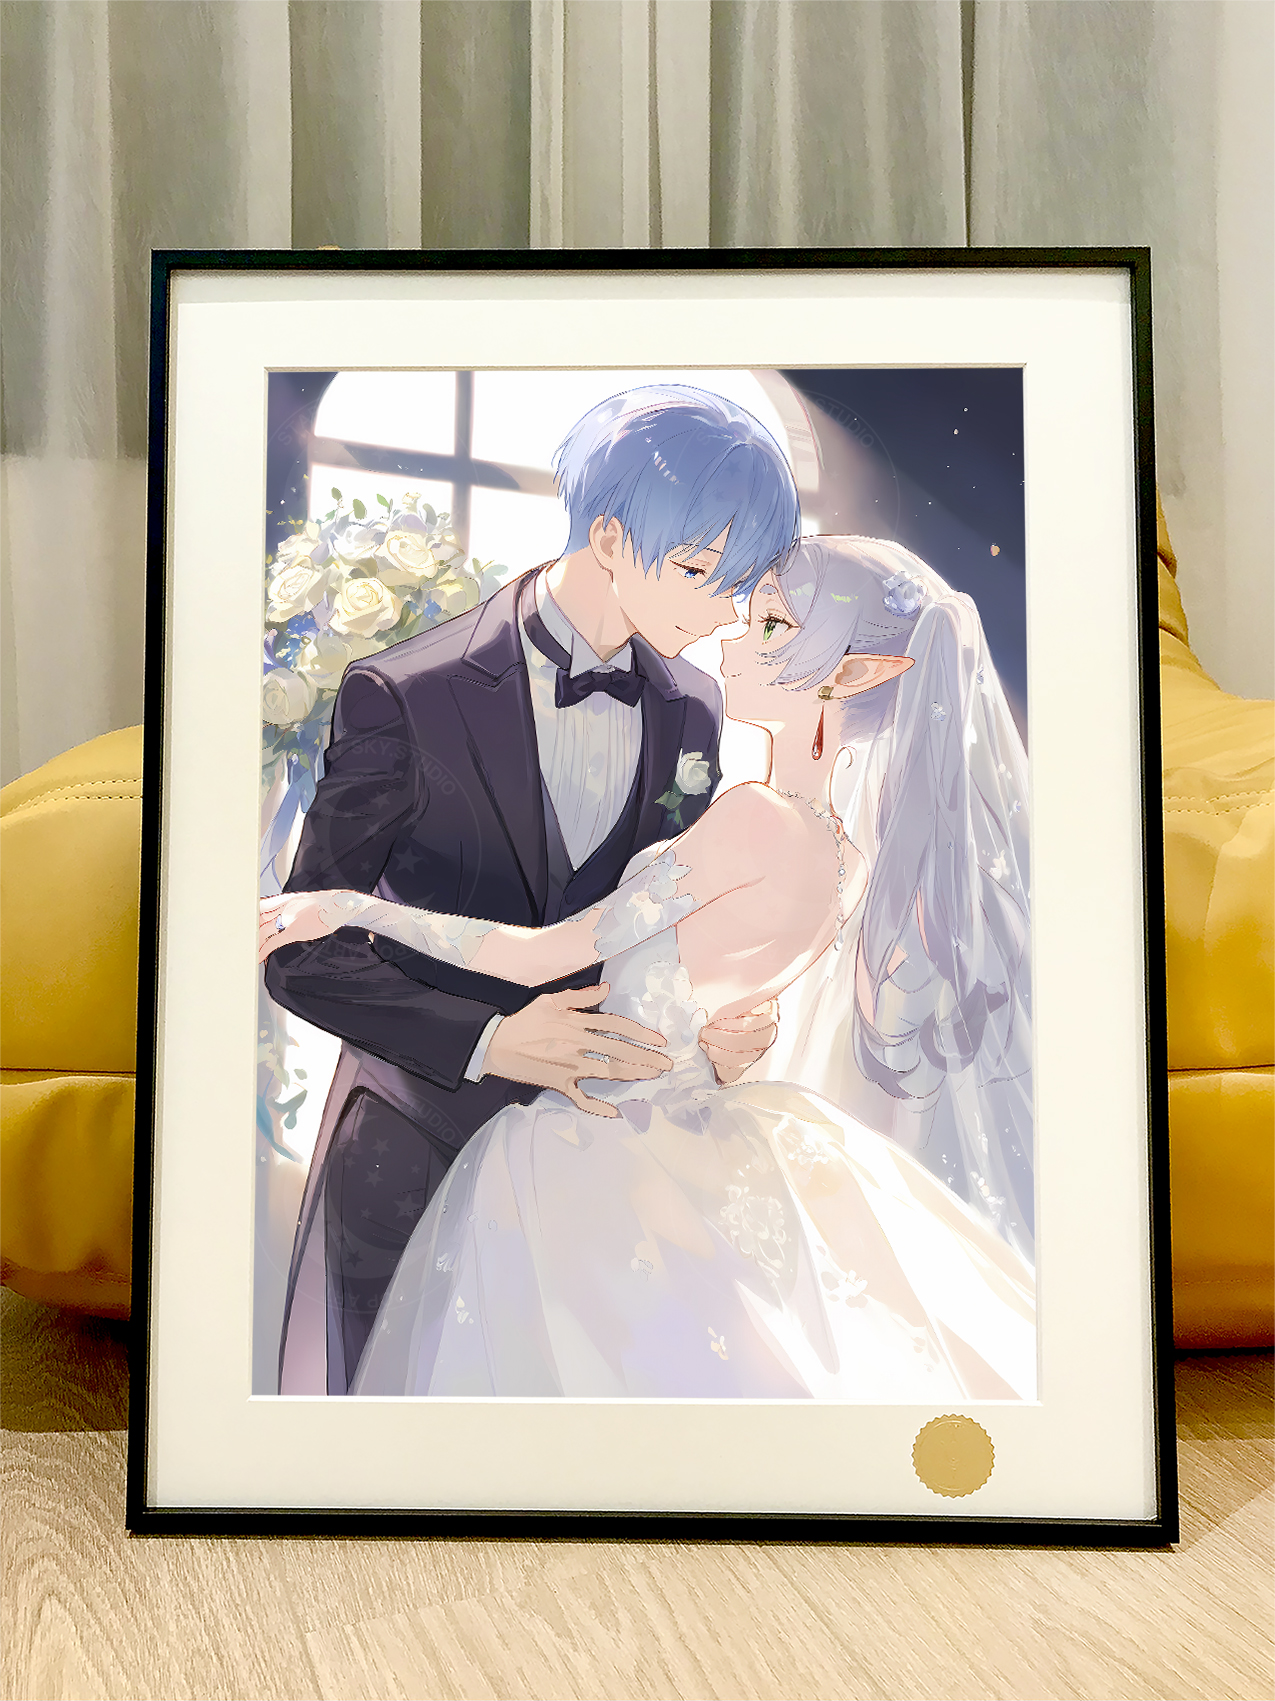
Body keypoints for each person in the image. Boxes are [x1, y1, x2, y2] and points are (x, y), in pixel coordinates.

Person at [261, 537, 1036, 1401]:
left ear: (847, 677)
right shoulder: (847, 861)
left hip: (596, 1133)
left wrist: (350, 909)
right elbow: (720, 995)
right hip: (687, 1125)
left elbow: (547, 953)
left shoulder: (752, 817)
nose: (732, 635)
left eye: (771, 625)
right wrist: (730, 1031)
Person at [263, 384, 801, 1395]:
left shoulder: (693, 706)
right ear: (608, 536)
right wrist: (487, 1040)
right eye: (698, 571)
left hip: (597, 1165)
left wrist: (721, 1016)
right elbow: (299, 951)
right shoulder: (404, 694)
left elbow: (657, 918)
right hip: (415, 1142)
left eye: (736, 584)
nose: (721, 611)